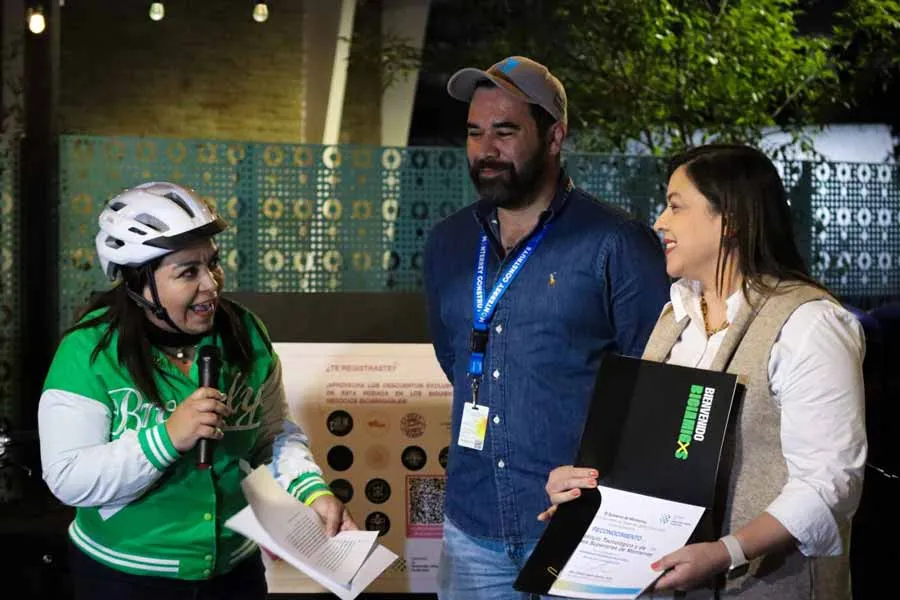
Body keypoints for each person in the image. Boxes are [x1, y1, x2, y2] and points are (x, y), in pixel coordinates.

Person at [541, 144, 867, 599]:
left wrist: (726, 551)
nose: (659, 221)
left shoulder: (809, 324)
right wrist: (587, 497)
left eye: (676, 206)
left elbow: (830, 484)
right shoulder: (675, 315)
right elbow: (654, 459)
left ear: (729, 219)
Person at [424, 56, 670, 600]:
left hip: (583, 532)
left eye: (505, 131)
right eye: (474, 132)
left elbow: (654, 388)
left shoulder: (616, 243)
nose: (486, 148)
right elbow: (455, 357)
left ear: (554, 136)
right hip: (472, 530)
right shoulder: (448, 243)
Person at [38, 182, 356, 600]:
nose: (211, 284)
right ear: (139, 281)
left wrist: (311, 491)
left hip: (234, 574)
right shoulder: (88, 352)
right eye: (188, 272)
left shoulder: (245, 333)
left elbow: (273, 436)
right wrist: (166, 438)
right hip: (125, 579)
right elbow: (67, 479)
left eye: (213, 264)